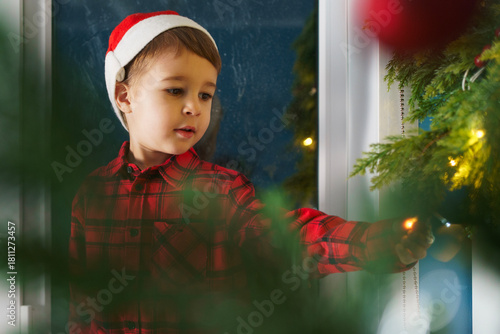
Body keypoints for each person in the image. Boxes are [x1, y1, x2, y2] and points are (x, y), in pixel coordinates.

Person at [68, 10, 434, 334]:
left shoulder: (219, 192)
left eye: (206, 95)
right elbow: (81, 304)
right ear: (124, 96)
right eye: (176, 90)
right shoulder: (93, 193)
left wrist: (374, 243)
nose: (194, 107)